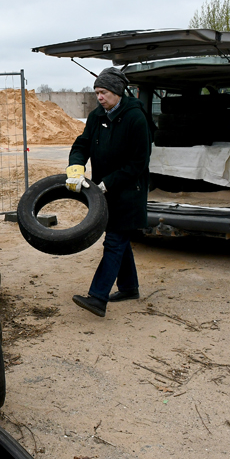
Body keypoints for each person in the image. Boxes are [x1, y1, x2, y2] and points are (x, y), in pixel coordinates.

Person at [64, 67, 152, 317]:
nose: (99, 97)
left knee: (114, 241)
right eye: (96, 93)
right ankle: (129, 287)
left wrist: (108, 182)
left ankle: (98, 297)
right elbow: (82, 144)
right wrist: (75, 167)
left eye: (103, 92)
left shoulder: (136, 118)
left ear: (117, 91)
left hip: (129, 192)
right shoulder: (96, 116)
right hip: (105, 192)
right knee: (119, 240)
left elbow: (139, 162)